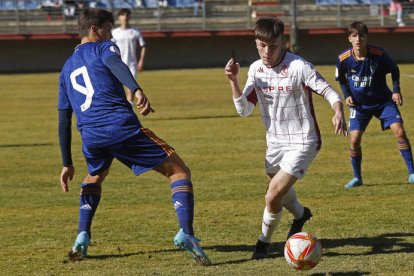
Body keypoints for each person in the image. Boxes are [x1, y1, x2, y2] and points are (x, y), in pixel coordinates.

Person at [58, 8, 211, 265]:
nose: (111, 36)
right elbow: (115, 63)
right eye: (108, 30)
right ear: (94, 30)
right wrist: (136, 88)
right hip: (120, 127)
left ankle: (81, 236)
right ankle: (187, 233)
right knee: (179, 172)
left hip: (91, 136)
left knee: (94, 175)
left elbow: (63, 119)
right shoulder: (103, 48)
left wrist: (66, 162)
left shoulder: (65, 68)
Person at [224, 17, 347, 259]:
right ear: (256, 43)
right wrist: (233, 81)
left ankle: (262, 244)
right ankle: (301, 215)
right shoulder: (256, 70)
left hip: (303, 141)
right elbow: (243, 110)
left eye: (273, 46)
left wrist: (338, 110)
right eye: (262, 45)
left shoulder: (299, 66)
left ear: (283, 42)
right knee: (277, 190)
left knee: (272, 195)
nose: (267, 51)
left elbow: (329, 91)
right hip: (275, 143)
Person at [336, 21, 414, 189]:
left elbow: (394, 69)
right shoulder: (343, 59)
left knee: (399, 132)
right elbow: (341, 79)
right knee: (354, 140)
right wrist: (347, 95)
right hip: (359, 105)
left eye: (361, 35)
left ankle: (412, 173)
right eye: (354, 36)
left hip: (383, 102)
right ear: (349, 38)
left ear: (366, 37)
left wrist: (396, 90)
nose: (358, 39)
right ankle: (357, 178)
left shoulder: (379, 54)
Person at [111, 8, 146, 104]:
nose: (125, 17)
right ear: (119, 17)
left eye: (127, 15)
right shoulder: (114, 33)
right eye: (123, 15)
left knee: (131, 89)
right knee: (117, 90)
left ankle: (129, 112)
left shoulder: (135, 31)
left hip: (132, 65)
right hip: (118, 64)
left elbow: (143, 46)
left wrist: (141, 60)